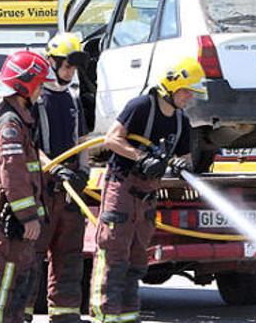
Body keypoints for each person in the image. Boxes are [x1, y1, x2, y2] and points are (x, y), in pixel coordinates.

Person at [89, 57, 205, 323]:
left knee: (138, 258)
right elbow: (112, 139)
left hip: (148, 195)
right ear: (171, 86)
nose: (189, 97)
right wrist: (141, 158)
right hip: (123, 186)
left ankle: (128, 316)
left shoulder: (180, 121)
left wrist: (178, 165)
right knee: (113, 254)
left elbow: (186, 159)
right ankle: (104, 316)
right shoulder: (141, 106)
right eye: (187, 91)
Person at [0, 50, 55, 323]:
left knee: (16, 281)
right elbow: (13, 173)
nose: (41, 91)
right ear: (27, 84)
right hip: (8, 216)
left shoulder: (12, 115)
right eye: (40, 84)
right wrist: (28, 216)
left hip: (6, 213)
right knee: (5, 282)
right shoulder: (10, 121)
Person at [23, 33, 92, 322]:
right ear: (51, 62)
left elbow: (83, 138)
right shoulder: (37, 98)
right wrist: (53, 168)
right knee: (32, 256)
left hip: (70, 189)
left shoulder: (73, 98)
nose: (70, 73)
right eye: (67, 67)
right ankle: (22, 312)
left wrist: (84, 171)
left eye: (74, 69)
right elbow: (29, 145)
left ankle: (65, 314)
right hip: (44, 188)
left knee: (70, 255)